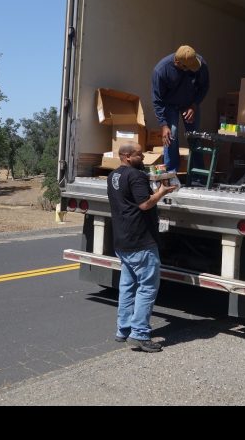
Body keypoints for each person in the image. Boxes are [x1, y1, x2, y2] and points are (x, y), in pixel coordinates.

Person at [107, 142, 177, 352]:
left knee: (127, 286)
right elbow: (144, 204)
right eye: (139, 154)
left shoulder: (114, 176)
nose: (144, 157)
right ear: (127, 156)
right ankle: (139, 334)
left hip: (122, 239)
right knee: (147, 287)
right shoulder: (136, 176)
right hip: (140, 240)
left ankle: (124, 329)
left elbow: (129, 200)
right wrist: (163, 191)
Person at [151, 45, 210, 177]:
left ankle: (199, 175)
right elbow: (157, 100)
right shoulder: (161, 70)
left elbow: (204, 86)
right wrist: (163, 124)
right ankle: (171, 174)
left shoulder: (199, 63)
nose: (193, 69)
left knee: (194, 136)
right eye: (189, 68)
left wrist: (194, 105)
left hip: (190, 104)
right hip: (170, 105)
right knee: (171, 134)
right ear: (178, 63)